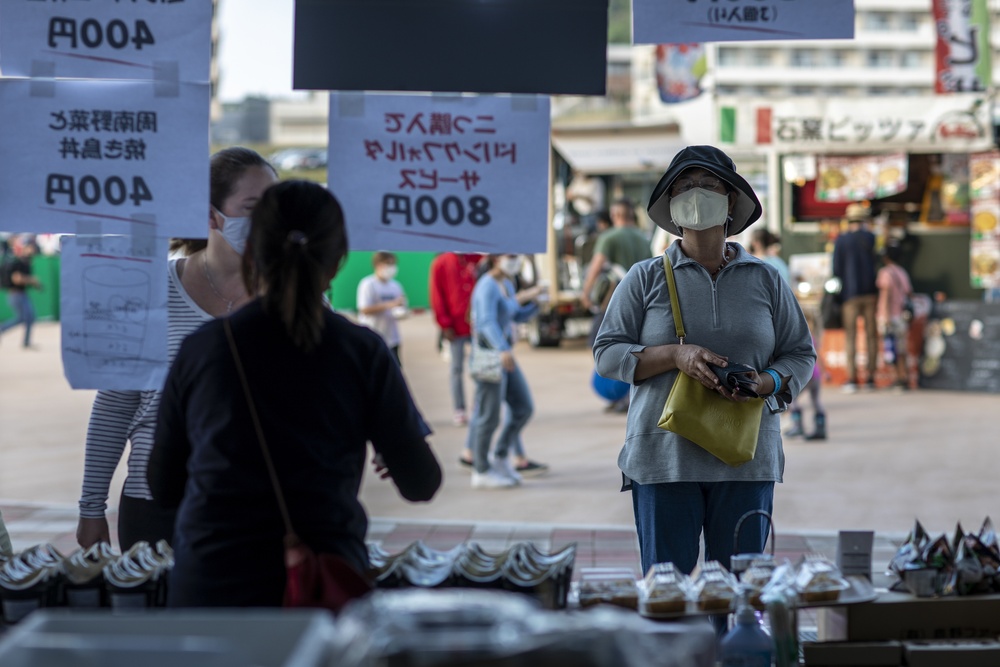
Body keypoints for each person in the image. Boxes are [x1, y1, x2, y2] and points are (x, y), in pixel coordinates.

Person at [148, 180, 442, 607]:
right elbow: (422, 483)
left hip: (212, 584)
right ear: (338, 260)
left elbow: (164, 487)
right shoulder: (363, 351)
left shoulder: (205, 348)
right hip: (322, 582)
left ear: (252, 253)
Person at [593, 146, 815, 595]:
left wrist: (766, 381)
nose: (695, 195)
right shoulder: (644, 277)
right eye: (683, 187)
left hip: (746, 459)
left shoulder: (767, 278)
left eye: (708, 186)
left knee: (737, 600)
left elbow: (800, 354)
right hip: (662, 460)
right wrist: (674, 356)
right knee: (666, 596)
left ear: (731, 200)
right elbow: (607, 353)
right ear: (671, 205)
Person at [76, 147, 279, 551]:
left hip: (263, 504)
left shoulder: (296, 298)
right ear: (210, 216)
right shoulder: (149, 287)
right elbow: (116, 404)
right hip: (156, 504)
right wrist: (91, 506)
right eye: (253, 207)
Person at [466, 254, 547, 489]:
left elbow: (514, 314)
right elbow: (486, 322)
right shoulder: (486, 286)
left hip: (504, 357)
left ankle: (500, 456)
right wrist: (502, 349)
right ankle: (480, 470)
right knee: (488, 416)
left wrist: (535, 305)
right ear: (495, 258)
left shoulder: (507, 284)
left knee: (523, 407)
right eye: (510, 256)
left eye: (516, 256)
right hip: (490, 357)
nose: (515, 260)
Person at [428, 252, 482, 426]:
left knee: (480, 368)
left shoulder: (478, 259)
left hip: (477, 326)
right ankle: (459, 409)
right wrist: (444, 324)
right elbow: (437, 295)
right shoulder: (441, 263)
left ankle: (478, 406)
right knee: (456, 369)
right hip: (455, 327)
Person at [832, 203, 878, 393]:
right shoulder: (872, 238)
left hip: (849, 294)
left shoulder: (841, 240)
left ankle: (851, 378)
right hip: (871, 293)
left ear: (849, 220)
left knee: (850, 337)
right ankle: (870, 377)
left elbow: (836, 270)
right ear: (864, 220)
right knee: (871, 336)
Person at [356, 251, 407, 364]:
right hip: (372, 337)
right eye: (388, 263)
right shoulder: (368, 284)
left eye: (393, 264)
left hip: (392, 339)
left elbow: (402, 306)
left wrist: (402, 312)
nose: (392, 267)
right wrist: (390, 304)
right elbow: (364, 309)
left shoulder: (396, 286)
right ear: (378, 265)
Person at [785, 306, 826, 441]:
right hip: (816, 375)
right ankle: (821, 428)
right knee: (816, 401)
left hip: (806, 375)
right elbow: (820, 357)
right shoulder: (813, 336)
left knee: (791, 398)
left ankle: (798, 426)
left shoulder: (798, 336)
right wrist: (824, 372)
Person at [876, 242, 913, 391]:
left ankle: (897, 378)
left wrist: (885, 317)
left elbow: (885, 295)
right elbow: (909, 292)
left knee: (890, 348)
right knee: (902, 349)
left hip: (890, 316)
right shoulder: (902, 272)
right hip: (902, 317)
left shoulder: (885, 273)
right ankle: (905, 378)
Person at [0, 237, 42, 349]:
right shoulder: (18, 262)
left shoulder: (26, 261)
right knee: (25, 317)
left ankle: (26, 342)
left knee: (27, 317)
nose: (32, 249)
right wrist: (31, 280)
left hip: (21, 294)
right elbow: (16, 279)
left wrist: (35, 284)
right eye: (30, 246)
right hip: (16, 294)